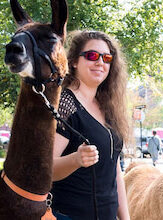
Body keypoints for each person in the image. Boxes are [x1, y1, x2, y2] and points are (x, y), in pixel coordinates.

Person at [51, 30, 130, 220]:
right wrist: (76, 160)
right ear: (74, 61)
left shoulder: (108, 107)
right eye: (92, 55)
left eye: (107, 58)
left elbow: (114, 171)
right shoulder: (65, 103)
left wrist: (126, 218)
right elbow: (46, 169)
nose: (100, 62)